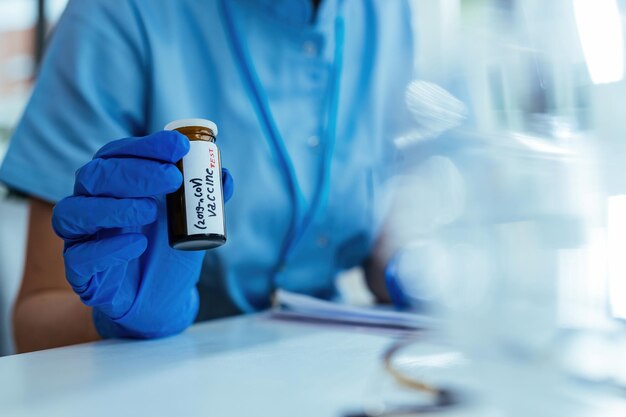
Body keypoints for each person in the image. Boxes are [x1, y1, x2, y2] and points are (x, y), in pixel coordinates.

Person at [0, 0, 414, 352]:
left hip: (329, 362)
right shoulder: (120, 13)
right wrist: (117, 322)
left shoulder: (390, 12)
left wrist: (408, 267)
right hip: (162, 380)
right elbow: (35, 319)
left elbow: (383, 224)